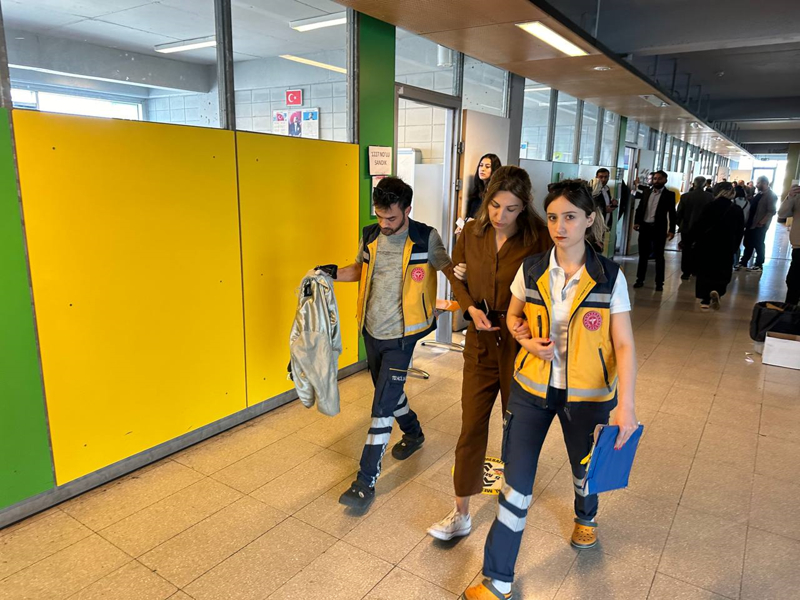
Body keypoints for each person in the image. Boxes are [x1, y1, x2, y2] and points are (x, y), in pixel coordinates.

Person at [462, 180, 637, 600]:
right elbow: (513, 317)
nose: (560, 227)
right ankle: (498, 579)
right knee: (515, 482)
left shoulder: (608, 277)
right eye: (554, 217)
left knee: (583, 468)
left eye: (571, 217)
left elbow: (624, 344)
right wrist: (525, 342)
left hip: (589, 396)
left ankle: (586, 517)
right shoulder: (533, 269)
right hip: (531, 390)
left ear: (590, 219)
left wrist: (626, 406)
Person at [427, 166, 551, 542]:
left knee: (515, 428)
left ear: (524, 206)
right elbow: (455, 275)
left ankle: (510, 506)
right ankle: (461, 512)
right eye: (494, 206)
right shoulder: (472, 232)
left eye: (510, 209)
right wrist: (468, 307)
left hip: (520, 342)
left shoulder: (540, 237)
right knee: (471, 426)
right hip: (479, 341)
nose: (500, 215)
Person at [328, 177, 454, 510]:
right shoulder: (370, 235)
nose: (385, 223)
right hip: (371, 330)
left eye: (392, 218)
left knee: (381, 407)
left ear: (408, 210)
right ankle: (413, 432)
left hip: (403, 334)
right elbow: (359, 270)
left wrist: (462, 302)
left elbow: (450, 271)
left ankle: (364, 481)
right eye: (380, 216)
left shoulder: (425, 237)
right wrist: (331, 273)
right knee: (388, 392)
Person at [692, 182, 745, 310]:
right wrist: (735, 247)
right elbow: (739, 231)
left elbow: (699, 225)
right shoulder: (736, 209)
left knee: (705, 270)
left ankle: (705, 299)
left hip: (707, 244)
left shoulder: (709, 206)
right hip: (726, 245)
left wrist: (692, 240)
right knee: (722, 270)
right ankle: (718, 291)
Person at [633, 170, 677, 291]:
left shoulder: (669, 195)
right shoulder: (647, 192)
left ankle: (659, 283)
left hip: (659, 229)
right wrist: (637, 222)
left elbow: (672, 213)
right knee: (643, 255)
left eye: (659, 179)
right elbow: (640, 208)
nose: (656, 181)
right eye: (655, 179)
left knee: (659, 256)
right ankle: (640, 279)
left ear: (665, 180)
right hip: (645, 227)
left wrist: (672, 230)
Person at [737, 175, 777, 272]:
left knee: (758, 244)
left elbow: (771, 211)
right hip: (751, 223)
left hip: (759, 225)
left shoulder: (770, 195)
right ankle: (744, 262)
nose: (756, 185)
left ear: (765, 183)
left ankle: (759, 264)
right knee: (748, 243)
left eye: (758, 183)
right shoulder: (759, 194)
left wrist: (762, 222)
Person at [676, 176, 711, 280]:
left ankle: (686, 272)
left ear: (693, 184)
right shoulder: (710, 197)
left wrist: (680, 224)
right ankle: (696, 270)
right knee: (700, 250)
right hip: (703, 229)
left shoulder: (685, 196)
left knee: (686, 250)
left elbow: (679, 213)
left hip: (687, 227)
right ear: (705, 185)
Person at [778, 184, 800, 305]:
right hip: (799, 246)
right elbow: (782, 214)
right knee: (793, 281)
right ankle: (790, 310)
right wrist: (790, 196)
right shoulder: (797, 196)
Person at [466, 154, 503, 220]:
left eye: (487, 167)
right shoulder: (477, 191)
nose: (482, 169)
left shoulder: (497, 192)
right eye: (481, 165)